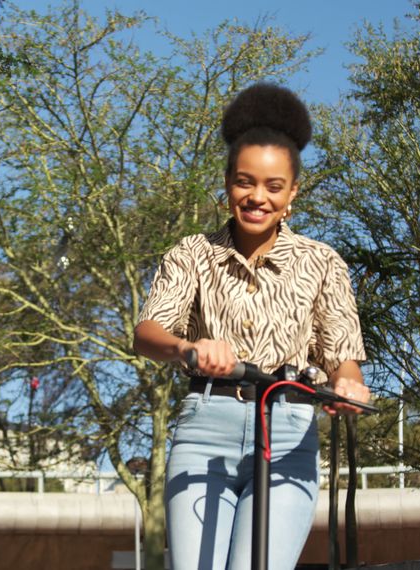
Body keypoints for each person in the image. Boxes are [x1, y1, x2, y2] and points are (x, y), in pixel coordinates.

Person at [133, 83, 371, 569]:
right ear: (227, 183)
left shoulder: (323, 263)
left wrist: (349, 385)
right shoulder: (192, 254)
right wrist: (188, 348)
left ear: (292, 194)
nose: (257, 197)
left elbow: (342, 358)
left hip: (287, 434)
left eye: (273, 187)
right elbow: (147, 333)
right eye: (244, 182)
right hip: (204, 430)